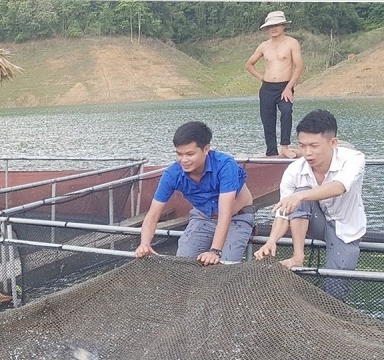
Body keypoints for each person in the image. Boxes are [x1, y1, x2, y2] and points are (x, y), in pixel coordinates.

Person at [254, 110, 366, 300]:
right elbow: (283, 213)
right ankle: (298, 256)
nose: (307, 152)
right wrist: (271, 241)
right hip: (315, 223)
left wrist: (300, 196)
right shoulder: (294, 170)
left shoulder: (354, 159)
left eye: (314, 146)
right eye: (302, 145)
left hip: (346, 229)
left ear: (333, 143)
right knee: (297, 197)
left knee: (335, 290)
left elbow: (339, 187)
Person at [135, 122, 255, 265]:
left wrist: (215, 251)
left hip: (237, 217)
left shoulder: (225, 165)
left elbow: (225, 212)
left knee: (224, 265)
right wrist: (145, 243)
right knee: (183, 262)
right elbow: (153, 214)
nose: (184, 160)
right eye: (179, 154)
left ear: (206, 149)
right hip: (203, 217)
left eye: (190, 154)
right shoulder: (172, 174)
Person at [245, 10, 304, 158]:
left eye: (277, 25)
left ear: (284, 26)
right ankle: (271, 151)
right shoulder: (264, 46)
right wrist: (262, 77)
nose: (273, 28)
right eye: (270, 26)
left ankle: (285, 147)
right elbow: (249, 64)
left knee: (286, 112)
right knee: (267, 119)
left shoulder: (292, 43)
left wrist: (289, 87)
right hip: (267, 88)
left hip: (285, 86)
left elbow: (299, 66)